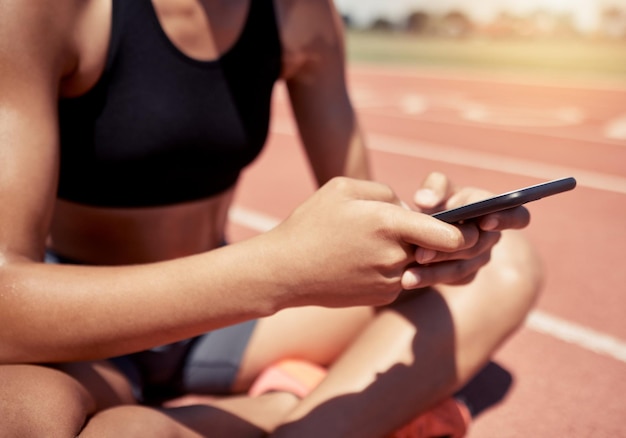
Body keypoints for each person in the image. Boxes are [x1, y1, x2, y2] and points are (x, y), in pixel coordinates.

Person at [0, 0, 542, 436]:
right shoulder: (43, 10)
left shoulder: (298, 12)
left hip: (226, 323)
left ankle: (297, 426)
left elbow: (365, 206)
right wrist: (280, 269)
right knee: (20, 419)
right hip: (82, 322)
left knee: (503, 265)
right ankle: (294, 410)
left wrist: (424, 241)